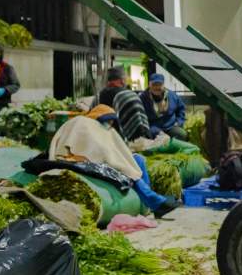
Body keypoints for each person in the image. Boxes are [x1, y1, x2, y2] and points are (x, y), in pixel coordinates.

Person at [51, 105, 183, 218]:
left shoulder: (102, 130)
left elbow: (111, 149)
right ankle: (156, 202)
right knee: (126, 169)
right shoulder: (84, 124)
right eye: (106, 121)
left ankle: (148, 205)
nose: (108, 125)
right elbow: (88, 148)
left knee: (137, 159)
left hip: (100, 161)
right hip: (87, 162)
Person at [91, 66, 152, 142]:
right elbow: (140, 127)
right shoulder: (130, 96)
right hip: (127, 147)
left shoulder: (97, 97)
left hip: (100, 142)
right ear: (123, 80)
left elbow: (90, 121)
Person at [139, 74, 188, 141]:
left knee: (182, 134)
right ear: (150, 85)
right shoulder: (142, 98)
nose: (157, 87)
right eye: (155, 85)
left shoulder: (172, 95)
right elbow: (141, 119)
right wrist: (156, 131)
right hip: (152, 129)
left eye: (160, 85)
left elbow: (181, 109)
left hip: (170, 127)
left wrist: (179, 122)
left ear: (163, 85)